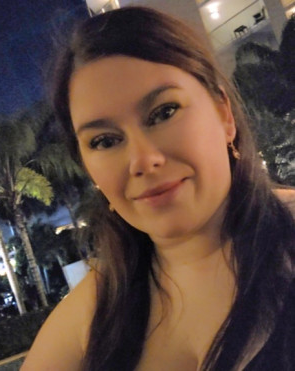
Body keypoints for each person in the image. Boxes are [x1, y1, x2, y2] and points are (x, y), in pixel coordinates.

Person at [21, 7, 295, 371]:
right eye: (104, 141)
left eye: (164, 113)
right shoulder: (95, 312)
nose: (143, 160)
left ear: (223, 114)